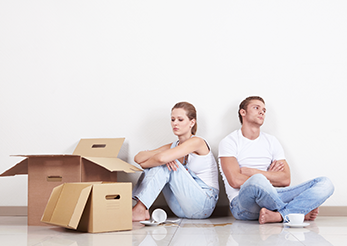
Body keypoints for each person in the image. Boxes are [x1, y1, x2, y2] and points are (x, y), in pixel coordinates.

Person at [218, 96, 334, 224]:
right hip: (242, 204)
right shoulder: (229, 142)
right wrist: (269, 177)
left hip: (272, 195)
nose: (262, 112)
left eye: (264, 110)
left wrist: (251, 171)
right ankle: (296, 212)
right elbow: (235, 181)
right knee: (258, 180)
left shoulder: (271, 141)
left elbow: (285, 179)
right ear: (243, 112)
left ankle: (280, 215)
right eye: (256, 108)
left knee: (325, 183)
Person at [132, 101, 219, 221]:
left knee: (164, 163)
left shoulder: (197, 142)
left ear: (192, 122)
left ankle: (140, 209)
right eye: (173, 119)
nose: (175, 123)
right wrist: (156, 158)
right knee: (164, 162)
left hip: (203, 205)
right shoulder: (174, 145)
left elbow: (160, 159)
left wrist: (148, 163)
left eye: (180, 119)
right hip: (180, 208)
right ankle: (140, 208)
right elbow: (138, 157)